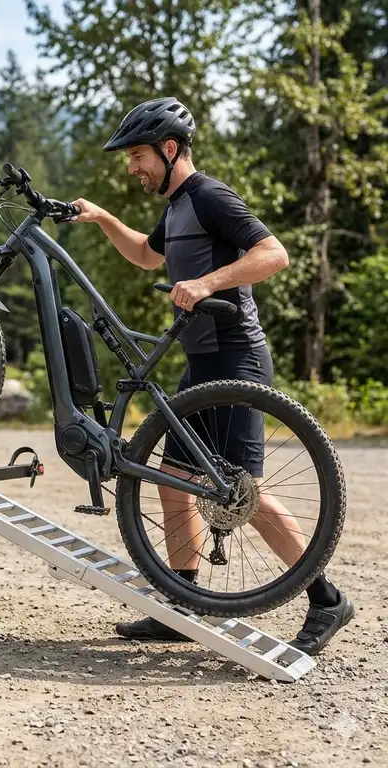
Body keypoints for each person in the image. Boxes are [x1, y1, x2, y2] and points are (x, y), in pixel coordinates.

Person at [69, 96, 354, 655]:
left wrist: (206, 283)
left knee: (239, 491)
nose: (132, 167)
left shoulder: (209, 196)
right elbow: (149, 256)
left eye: (138, 156)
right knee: (173, 479)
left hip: (234, 357)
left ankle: (326, 598)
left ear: (170, 149)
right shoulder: (175, 206)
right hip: (202, 363)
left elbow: (275, 254)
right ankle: (183, 601)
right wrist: (102, 217)